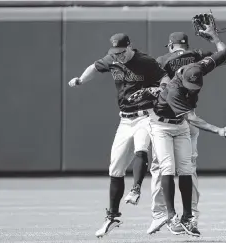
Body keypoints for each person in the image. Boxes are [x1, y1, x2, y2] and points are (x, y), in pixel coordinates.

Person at [68, 33, 170, 238]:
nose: (119, 57)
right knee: (115, 167)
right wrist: (80, 79)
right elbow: (94, 67)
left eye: (122, 52)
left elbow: (166, 80)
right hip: (125, 119)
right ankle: (112, 216)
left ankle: (136, 189)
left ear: (129, 47)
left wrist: (155, 89)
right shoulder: (112, 60)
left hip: (145, 115)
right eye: (115, 53)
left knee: (141, 147)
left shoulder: (145, 61)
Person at [147, 26, 226, 236]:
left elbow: (221, 56)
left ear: (171, 45)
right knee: (173, 166)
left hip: (179, 121)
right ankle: (171, 215)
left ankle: (172, 215)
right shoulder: (191, 65)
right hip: (171, 117)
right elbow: (191, 117)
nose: (195, 87)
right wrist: (216, 38)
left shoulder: (188, 64)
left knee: (173, 168)